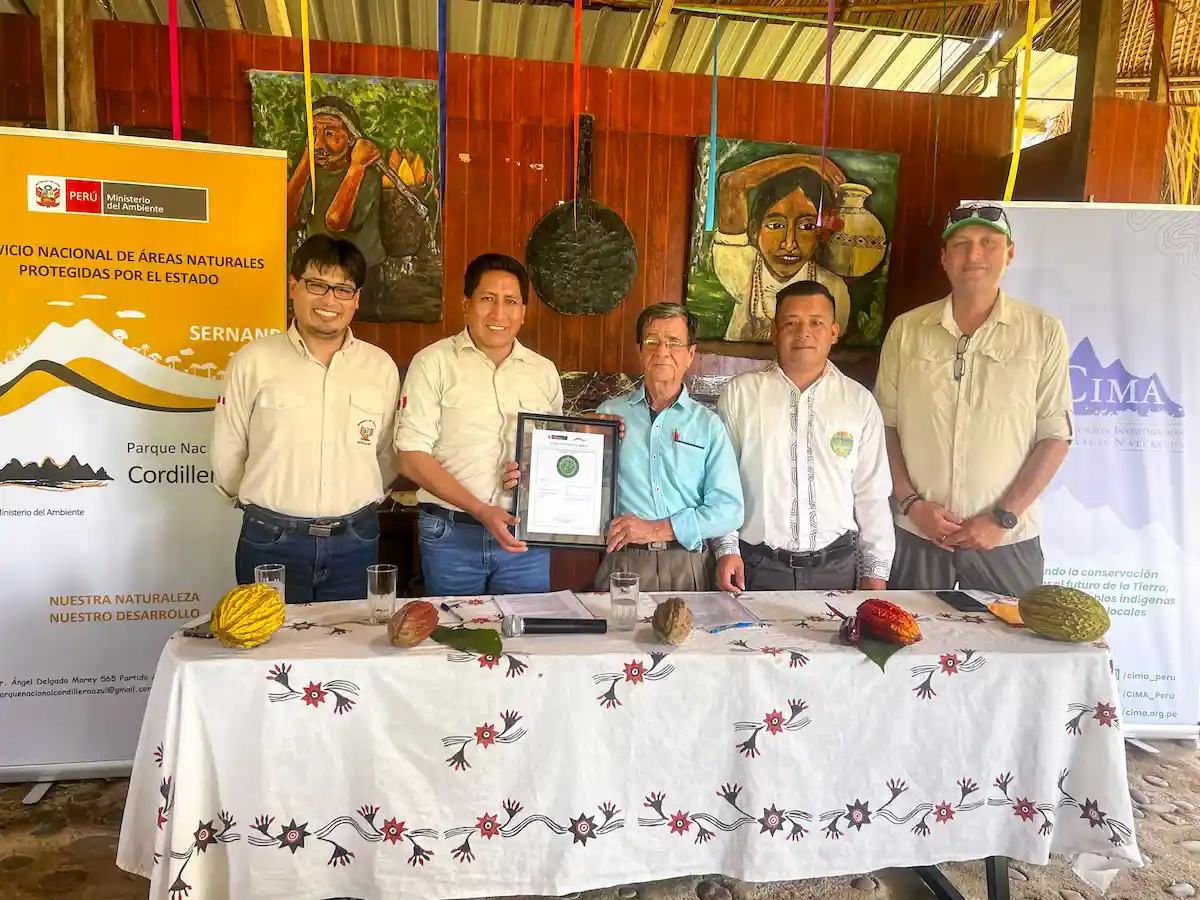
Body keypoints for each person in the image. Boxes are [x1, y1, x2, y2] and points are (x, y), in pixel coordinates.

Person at [874, 205, 1073, 598]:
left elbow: (1055, 436)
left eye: (988, 243)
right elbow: (885, 427)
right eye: (961, 244)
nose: (974, 255)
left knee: (1013, 650)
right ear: (944, 258)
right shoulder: (907, 330)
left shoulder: (1042, 331)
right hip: (919, 533)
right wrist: (912, 504)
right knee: (907, 649)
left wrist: (1003, 517)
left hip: (1006, 538)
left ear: (1010, 253)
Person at [212, 234, 400, 603]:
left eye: (343, 289)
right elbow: (228, 448)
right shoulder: (253, 360)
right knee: (267, 648)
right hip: (271, 541)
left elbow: (387, 454)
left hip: (355, 540)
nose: (329, 300)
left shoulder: (380, 367)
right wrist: (267, 507)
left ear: (356, 299)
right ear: (293, 287)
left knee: (347, 650)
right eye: (317, 285)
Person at [395, 254, 563, 596]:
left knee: (525, 642)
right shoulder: (432, 364)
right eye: (488, 299)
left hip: (524, 540)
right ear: (466, 304)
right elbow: (410, 456)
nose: (499, 313)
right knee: (455, 638)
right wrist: (481, 510)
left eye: (511, 301)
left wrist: (537, 471)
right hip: (451, 536)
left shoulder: (543, 371)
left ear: (524, 312)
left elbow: (554, 450)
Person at [714, 281, 893, 592]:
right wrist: (726, 549)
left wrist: (875, 573)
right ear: (774, 331)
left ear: (834, 332)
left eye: (816, 323)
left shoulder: (858, 401)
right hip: (757, 567)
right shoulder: (740, 394)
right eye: (791, 323)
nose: (803, 332)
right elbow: (721, 483)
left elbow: (872, 494)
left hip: (838, 567)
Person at [592, 303, 743, 591]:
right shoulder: (608, 415)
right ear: (639, 351)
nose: (662, 351)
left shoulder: (708, 425)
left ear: (690, 355)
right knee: (616, 637)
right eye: (652, 341)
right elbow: (582, 489)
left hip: (690, 564)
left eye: (674, 342)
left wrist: (656, 529)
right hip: (624, 563)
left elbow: (729, 510)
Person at [713, 154, 851, 341]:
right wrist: (806, 161)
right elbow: (732, 184)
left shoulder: (833, 289)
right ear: (754, 230)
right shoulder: (742, 268)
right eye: (776, 226)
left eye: (807, 227)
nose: (789, 244)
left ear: (821, 234)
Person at [286, 96, 388, 316]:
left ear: (351, 139)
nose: (319, 144)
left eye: (330, 134)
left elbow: (335, 221)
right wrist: (306, 160)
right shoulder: (313, 172)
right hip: (319, 274)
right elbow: (286, 217)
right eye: (313, 133)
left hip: (361, 276)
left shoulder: (365, 175)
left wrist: (356, 167)